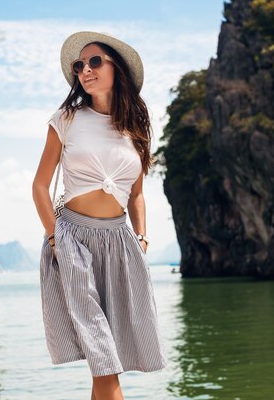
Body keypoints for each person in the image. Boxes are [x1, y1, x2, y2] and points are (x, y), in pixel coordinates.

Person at [32, 31, 168, 400]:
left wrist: (140, 238)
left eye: (95, 62)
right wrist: (54, 240)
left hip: (121, 245)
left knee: (108, 361)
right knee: (104, 358)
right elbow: (40, 186)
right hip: (73, 240)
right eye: (79, 65)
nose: (85, 70)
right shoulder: (66, 119)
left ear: (116, 69)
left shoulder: (135, 129)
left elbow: (137, 194)